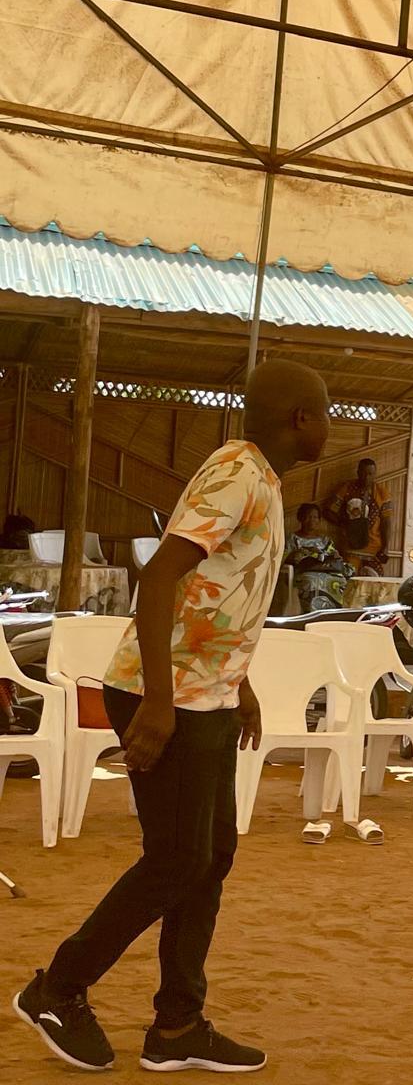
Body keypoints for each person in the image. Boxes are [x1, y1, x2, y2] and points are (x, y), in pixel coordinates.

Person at [13, 361, 330, 1073]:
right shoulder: (238, 472)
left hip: (205, 693)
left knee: (209, 856)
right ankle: (57, 989)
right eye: (326, 413)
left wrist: (237, 683)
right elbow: (160, 578)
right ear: (301, 420)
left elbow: (221, 592)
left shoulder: (264, 482)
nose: (331, 425)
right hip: (169, 696)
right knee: (178, 858)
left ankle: (178, 1024)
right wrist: (158, 700)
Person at [323, 457, 391, 575]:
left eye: (370, 474)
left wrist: (385, 546)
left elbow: (386, 521)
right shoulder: (347, 488)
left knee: (374, 583)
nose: (366, 477)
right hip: (350, 547)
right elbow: (328, 511)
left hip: (373, 549)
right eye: (363, 473)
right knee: (349, 581)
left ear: (375, 474)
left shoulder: (381, 492)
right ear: (358, 472)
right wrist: (343, 524)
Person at [284, 503, 354, 611]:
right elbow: (286, 558)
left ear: (319, 520)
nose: (312, 520)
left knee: (342, 581)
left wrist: (335, 556)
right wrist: (300, 554)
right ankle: (312, 613)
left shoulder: (325, 540)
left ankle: (334, 613)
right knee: (311, 581)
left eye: (315, 517)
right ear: (300, 518)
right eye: (308, 517)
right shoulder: (292, 538)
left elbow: (333, 556)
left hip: (326, 569)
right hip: (303, 571)